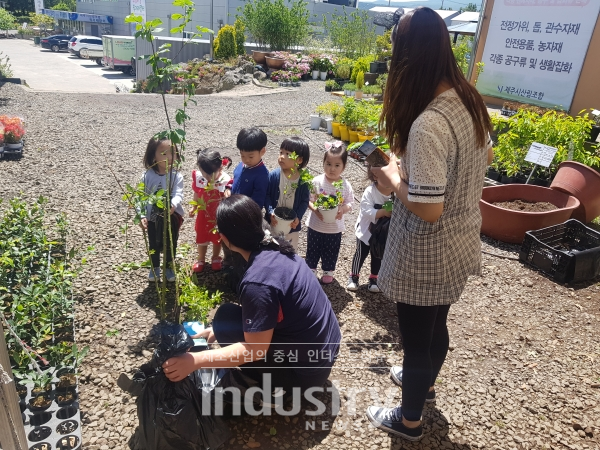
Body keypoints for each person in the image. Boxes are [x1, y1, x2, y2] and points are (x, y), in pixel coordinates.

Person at [365, 7, 494, 441]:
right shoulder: (466, 98)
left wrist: (390, 178)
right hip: (460, 242)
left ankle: (409, 420)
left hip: (427, 250)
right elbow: (480, 162)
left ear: (408, 56)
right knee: (436, 326)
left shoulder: (429, 124)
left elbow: (427, 209)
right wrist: (410, 169)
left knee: (417, 339)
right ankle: (426, 385)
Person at [162, 195, 341, 401]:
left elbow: (255, 350)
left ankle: (275, 392)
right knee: (224, 323)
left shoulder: (257, 282)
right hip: (325, 354)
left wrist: (194, 361)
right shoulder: (278, 246)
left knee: (225, 319)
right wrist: (218, 331)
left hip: (303, 377)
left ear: (225, 239)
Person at [305, 142, 354, 284]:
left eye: (337, 165)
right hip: (315, 225)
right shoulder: (316, 181)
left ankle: (328, 270)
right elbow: (308, 200)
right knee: (313, 248)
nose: (332, 169)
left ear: (344, 166)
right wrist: (314, 209)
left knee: (331, 250)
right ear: (323, 163)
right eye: (328, 164)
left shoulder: (345, 185)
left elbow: (350, 203)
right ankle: (311, 268)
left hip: (334, 228)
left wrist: (342, 210)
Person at [139, 137, 184, 283]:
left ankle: (169, 267)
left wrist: (173, 203)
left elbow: (178, 193)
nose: (169, 157)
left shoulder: (176, 176)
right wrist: (141, 215)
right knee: (153, 243)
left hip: (171, 216)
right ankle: (155, 267)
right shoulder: (147, 176)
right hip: (152, 218)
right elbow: (140, 197)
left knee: (171, 242)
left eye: (173, 152)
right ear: (153, 156)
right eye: (164, 153)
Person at [225, 127, 270, 274]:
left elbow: (258, 201)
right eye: (242, 155)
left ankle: (242, 273)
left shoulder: (262, 174)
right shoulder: (241, 165)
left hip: (245, 217)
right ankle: (229, 265)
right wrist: (228, 187)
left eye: (250, 156)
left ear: (262, 151)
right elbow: (234, 180)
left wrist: (242, 211)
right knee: (229, 242)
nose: (246, 160)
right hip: (233, 213)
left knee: (242, 247)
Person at [347, 164, 393, 293]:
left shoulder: (395, 193)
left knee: (377, 255)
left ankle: (374, 277)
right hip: (366, 231)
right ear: (375, 176)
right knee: (360, 253)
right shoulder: (370, 191)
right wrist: (383, 212)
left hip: (383, 233)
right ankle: (354, 276)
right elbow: (366, 211)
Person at [189, 148, 232, 273]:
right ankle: (201, 258)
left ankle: (215, 257)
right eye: (204, 174)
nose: (207, 178)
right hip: (203, 213)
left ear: (220, 169)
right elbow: (197, 193)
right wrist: (194, 206)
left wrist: (226, 195)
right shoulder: (200, 178)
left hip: (217, 215)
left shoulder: (224, 180)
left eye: (209, 175)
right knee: (201, 236)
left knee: (216, 237)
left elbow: (226, 196)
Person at [264, 137, 311, 251]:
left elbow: (305, 201)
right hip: (274, 221)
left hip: (292, 225)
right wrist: (270, 212)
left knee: (290, 249)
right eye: (281, 152)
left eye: (287, 154)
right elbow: (267, 195)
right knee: (271, 247)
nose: (281, 156)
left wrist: (298, 217)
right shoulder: (274, 175)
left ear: (299, 160)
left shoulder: (303, 179)